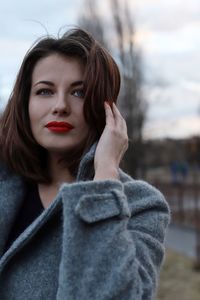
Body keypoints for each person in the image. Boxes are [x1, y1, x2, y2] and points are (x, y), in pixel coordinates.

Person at [0, 28, 170, 299]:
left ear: (106, 109)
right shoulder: (5, 183)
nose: (60, 106)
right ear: (24, 104)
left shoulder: (141, 205)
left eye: (78, 93)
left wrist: (104, 179)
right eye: (44, 91)